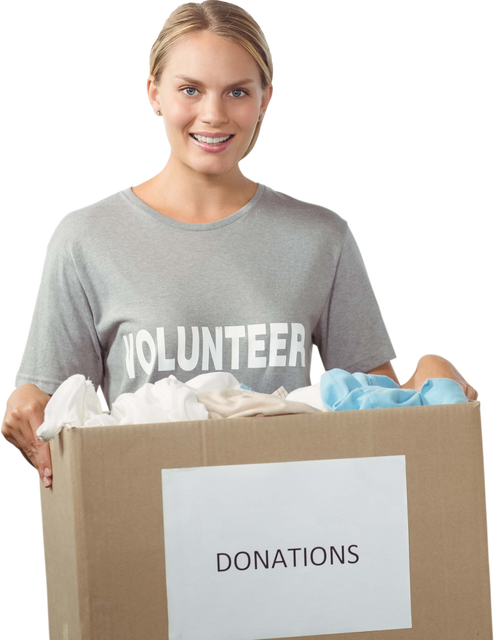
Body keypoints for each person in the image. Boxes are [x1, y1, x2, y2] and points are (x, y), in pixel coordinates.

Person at [0, 0, 481, 490]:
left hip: (296, 517)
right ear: (153, 94)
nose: (213, 114)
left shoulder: (321, 235)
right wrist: (24, 412)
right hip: (143, 512)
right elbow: (47, 403)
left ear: (266, 98)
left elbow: (374, 404)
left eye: (237, 92)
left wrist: (433, 373)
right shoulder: (85, 237)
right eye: (190, 89)